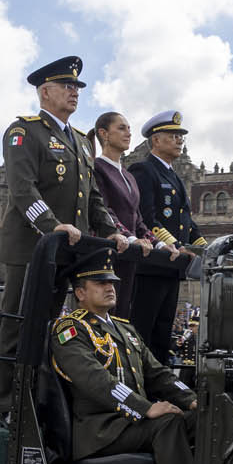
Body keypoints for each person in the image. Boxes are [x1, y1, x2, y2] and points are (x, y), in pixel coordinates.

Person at [0, 56, 127, 426]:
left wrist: (110, 229)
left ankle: (39, 396)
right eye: (67, 86)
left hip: (68, 251)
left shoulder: (83, 143)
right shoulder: (24, 131)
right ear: (45, 91)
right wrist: (51, 225)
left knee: (53, 325)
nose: (74, 93)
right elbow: (22, 189)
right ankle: (8, 405)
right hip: (31, 246)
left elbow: (93, 197)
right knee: (18, 323)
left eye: (77, 88)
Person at [49, 252, 197, 464]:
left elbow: (159, 374)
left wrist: (192, 399)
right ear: (80, 293)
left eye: (112, 283)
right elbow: (94, 379)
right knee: (167, 423)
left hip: (131, 425)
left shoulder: (124, 329)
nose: (110, 288)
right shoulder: (70, 330)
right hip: (102, 430)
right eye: (101, 284)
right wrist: (144, 408)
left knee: (203, 419)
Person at [129, 111, 208, 366]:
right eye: (173, 136)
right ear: (156, 140)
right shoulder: (144, 170)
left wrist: (206, 248)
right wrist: (172, 245)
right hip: (153, 263)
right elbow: (147, 218)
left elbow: (187, 222)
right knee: (143, 331)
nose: (179, 140)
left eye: (180, 136)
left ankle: (158, 389)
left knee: (163, 332)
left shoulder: (175, 177)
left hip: (174, 266)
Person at [88, 111, 173, 318]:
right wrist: (132, 238)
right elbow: (104, 211)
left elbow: (139, 219)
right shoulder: (97, 168)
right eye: (121, 128)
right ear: (104, 134)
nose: (128, 133)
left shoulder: (128, 175)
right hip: (107, 254)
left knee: (122, 315)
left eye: (129, 129)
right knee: (103, 314)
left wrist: (159, 243)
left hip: (129, 258)